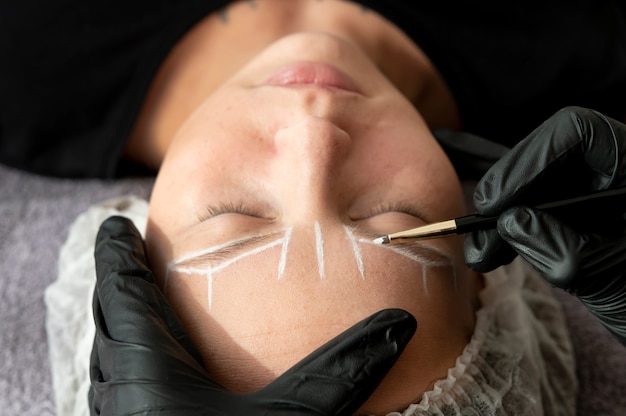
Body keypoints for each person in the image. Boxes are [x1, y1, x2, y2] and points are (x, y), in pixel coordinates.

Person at [2, 0, 625, 414]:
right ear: (496, 275)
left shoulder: (20, 64)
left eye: (231, 213)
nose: (315, 138)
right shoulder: (599, 82)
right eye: (396, 215)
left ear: (134, 234)